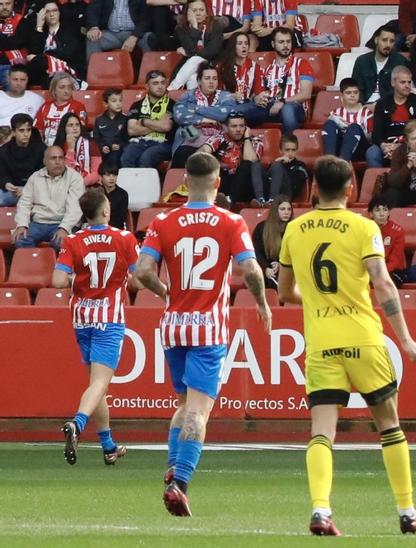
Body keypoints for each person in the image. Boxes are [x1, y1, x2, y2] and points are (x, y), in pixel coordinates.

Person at [275, 157, 416, 536]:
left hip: (322, 341)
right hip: (362, 336)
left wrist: (313, 300)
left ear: (313, 188)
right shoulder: (364, 227)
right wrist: (405, 338)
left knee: (322, 431)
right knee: (389, 424)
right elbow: (383, 282)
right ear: (350, 189)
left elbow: (284, 292)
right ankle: (407, 510)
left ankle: (320, 509)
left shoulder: (294, 229)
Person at [133, 152, 271, 516]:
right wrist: (262, 302)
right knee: (199, 409)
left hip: (173, 327)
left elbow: (143, 270)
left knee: (182, 404)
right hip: (208, 329)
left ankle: (173, 465)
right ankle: (180, 483)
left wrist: (164, 292)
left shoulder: (163, 221)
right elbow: (252, 270)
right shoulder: (231, 221)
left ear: (185, 183)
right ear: (217, 182)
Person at [53, 188, 153, 466]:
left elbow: (58, 280)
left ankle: (108, 446)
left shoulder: (73, 241)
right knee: (99, 383)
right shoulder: (123, 238)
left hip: (82, 317)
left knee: (96, 386)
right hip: (109, 317)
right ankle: (77, 423)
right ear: (106, 211)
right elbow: (138, 279)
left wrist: (81, 279)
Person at [368, 67, 416, 168]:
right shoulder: (382, 103)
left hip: (410, 143)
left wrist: (400, 146)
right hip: (388, 144)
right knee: (372, 152)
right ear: (393, 83)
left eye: (409, 82)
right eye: (403, 82)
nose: (407, 86)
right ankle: (377, 182)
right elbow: (376, 132)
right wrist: (383, 145)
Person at [13, 143, 83, 249]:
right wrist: (22, 225)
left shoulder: (75, 178)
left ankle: (57, 266)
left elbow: (75, 208)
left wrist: (64, 228)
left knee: (62, 243)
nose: (58, 162)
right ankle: (33, 265)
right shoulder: (35, 177)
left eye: (61, 158)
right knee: (21, 240)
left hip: (60, 223)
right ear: (45, 161)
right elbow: (24, 203)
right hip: (37, 223)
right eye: (53, 158)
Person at [256, 28, 316, 132]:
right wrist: (257, 98)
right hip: (271, 106)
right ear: (273, 44)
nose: (285, 45)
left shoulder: (302, 64)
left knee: (287, 109)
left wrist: (283, 101)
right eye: (281, 42)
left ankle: (290, 145)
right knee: (243, 111)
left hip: (295, 107)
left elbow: (306, 94)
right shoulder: (268, 69)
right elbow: (260, 93)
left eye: (288, 42)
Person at [121, 71, 173, 172]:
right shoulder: (136, 105)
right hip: (140, 141)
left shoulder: (172, 104)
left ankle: (146, 187)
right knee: (127, 157)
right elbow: (132, 130)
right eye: (155, 83)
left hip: (164, 144)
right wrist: (158, 124)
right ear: (147, 86)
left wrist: (144, 122)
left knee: (146, 157)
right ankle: (129, 187)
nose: (160, 86)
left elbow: (166, 127)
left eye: (163, 83)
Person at [351, 27, 409, 104]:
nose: (388, 45)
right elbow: (356, 87)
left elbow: (401, 90)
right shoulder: (362, 61)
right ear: (376, 40)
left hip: (389, 106)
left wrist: (380, 105)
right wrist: (360, 106)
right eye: (384, 40)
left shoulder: (400, 61)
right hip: (364, 105)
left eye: (391, 41)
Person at [322, 79, 373, 163]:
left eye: (355, 92)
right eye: (348, 93)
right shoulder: (336, 113)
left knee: (354, 128)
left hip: (359, 149)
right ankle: (329, 160)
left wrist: (354, 132)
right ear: (342, 95)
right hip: (340, 146)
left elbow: (371, 137)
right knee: (329, 124)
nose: (352, 95)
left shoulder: (367, 113)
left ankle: (343, 162)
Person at [85, 0, 150, 56]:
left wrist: (134, 37)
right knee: (93, 38)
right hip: (112, 34)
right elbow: (93, 10)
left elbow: (145, 20)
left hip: (135, 33)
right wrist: (94, 27)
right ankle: (96, 70)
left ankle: (151, 70)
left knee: (149, 38)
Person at [254, 199, 293, 287]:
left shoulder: (294, 228)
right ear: (275, 210)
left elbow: (295, 253)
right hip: (265, 267)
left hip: (286, 267)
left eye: (289, 209)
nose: (286, 212)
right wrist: (266, 268)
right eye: (282, 209)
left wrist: (281, 264)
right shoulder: (262, 228)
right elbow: (257, 252)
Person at [371, 202, 410, 283]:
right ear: (371, 214)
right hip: (371, 269)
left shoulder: (397, 231)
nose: (381, 214)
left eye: (385, 210)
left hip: (392, 271)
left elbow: (395, 260)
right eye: (377, 210)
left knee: (385, 282)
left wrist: (379, 273)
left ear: (388, 213)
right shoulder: (365, 230)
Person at [267, 135, 307, 202]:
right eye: (287, 150)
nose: (290, 153)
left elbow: (295, 187)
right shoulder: (276, 164)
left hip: (287, 196)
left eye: (293, 150)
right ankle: (261, 200)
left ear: (297, 150)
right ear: (280, 150)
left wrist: (285, 166)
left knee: (277, 166)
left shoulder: (301, 165)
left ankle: (272, 201)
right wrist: (277, 162)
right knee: (256, 166)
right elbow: (267, 178)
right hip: (271, 192)